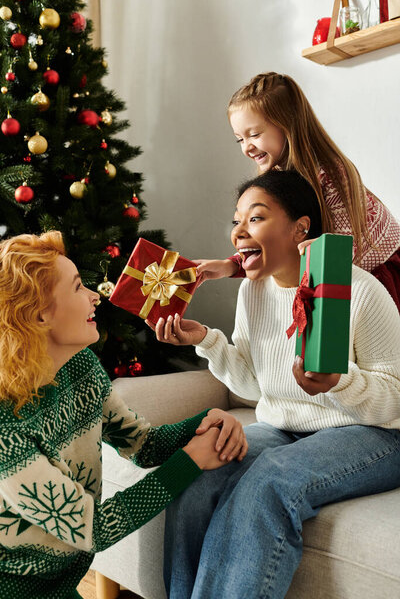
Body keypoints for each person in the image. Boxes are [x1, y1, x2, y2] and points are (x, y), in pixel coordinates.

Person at [148, 170, 400, 599]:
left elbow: (393, 402)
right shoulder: (254, 291)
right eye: (236, 221)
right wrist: (207, 340)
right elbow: (253, 383)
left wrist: (340, 382)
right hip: (283, 426)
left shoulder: (359, 291)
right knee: (196, 469)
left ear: (300, 227)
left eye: (256, 218)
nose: (239, 232)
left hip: (373, 434)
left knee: (269, 479)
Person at [0, 231, 247, 599]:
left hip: (61, 584)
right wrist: (191, 460)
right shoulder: (7, 430)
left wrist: (205, 420)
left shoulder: (80, 366)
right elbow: (93, 528)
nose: (94, 297)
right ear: (39, 315)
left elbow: (143, 445)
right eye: (79, 287)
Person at [195, 72, 400, 310]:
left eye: (254, 135)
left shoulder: (333, 174)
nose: (247, 147)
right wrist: (231, 265)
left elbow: (340, 252)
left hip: (378, 274)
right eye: (239, 139)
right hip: (340, 276)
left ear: (287, 124)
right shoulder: (278, 177)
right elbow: (274, 243)